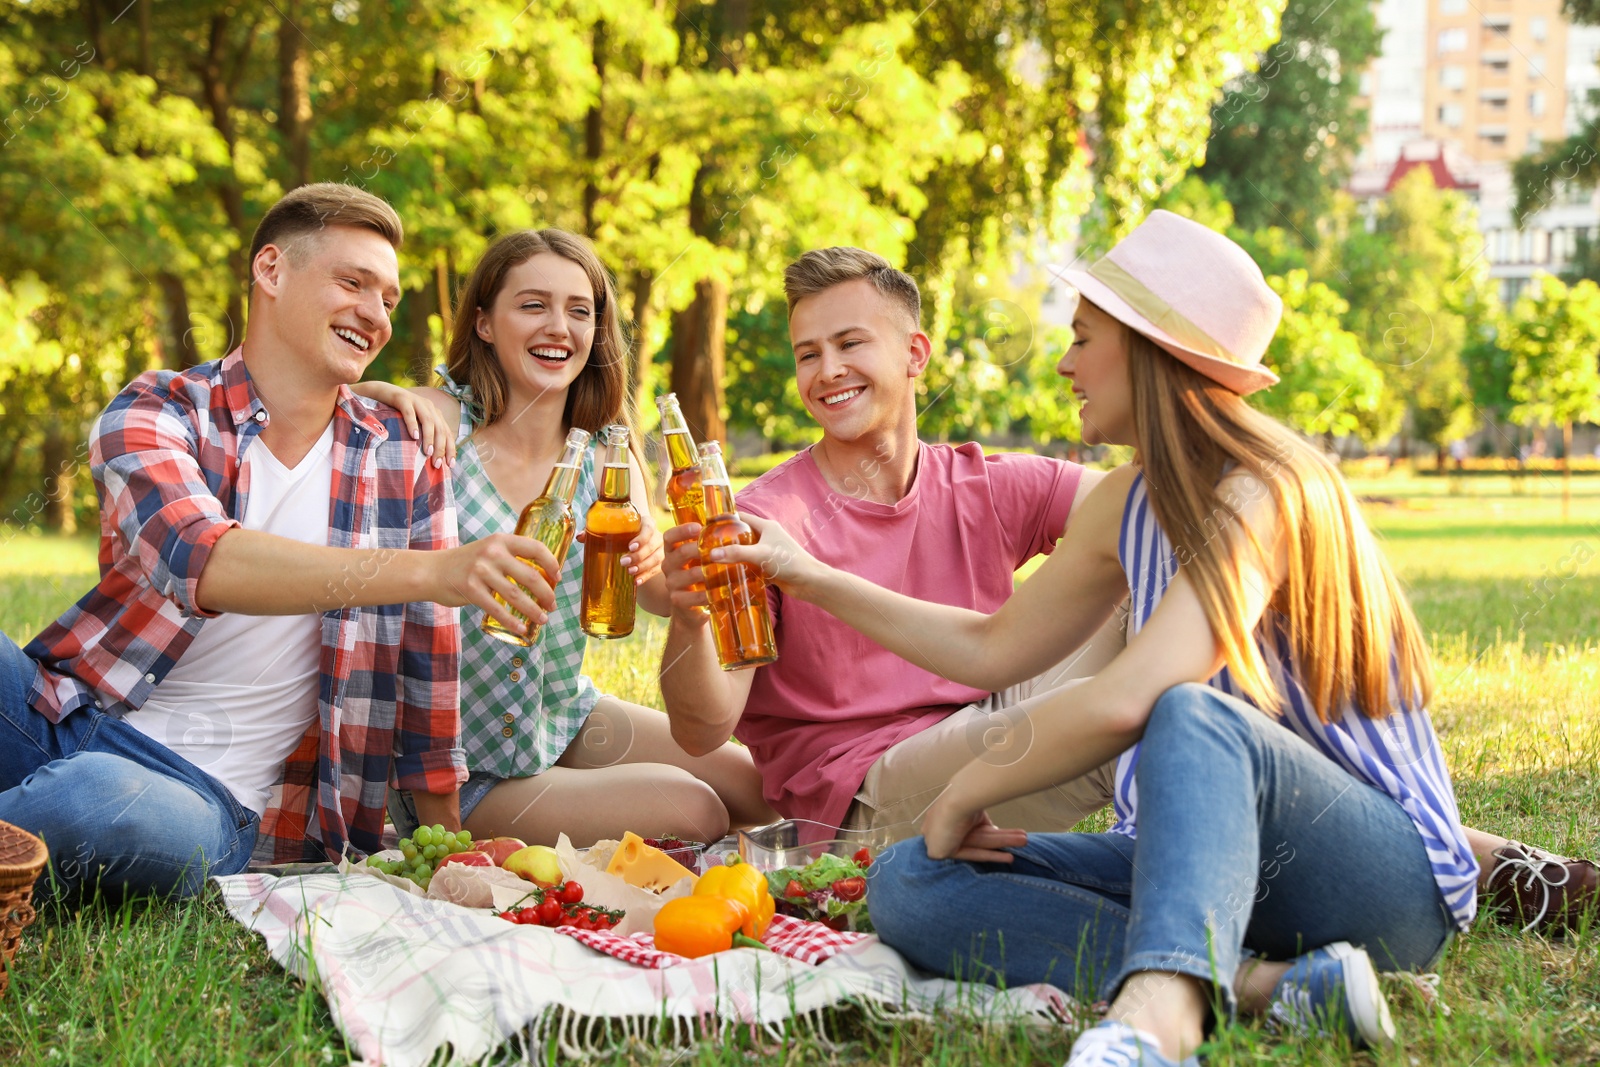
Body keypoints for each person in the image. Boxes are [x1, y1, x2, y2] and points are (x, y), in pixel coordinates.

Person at [707, 212, 1590, 1063]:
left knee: (1186, 714)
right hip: (1197, 862)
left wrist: (966, 786)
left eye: (1084, 337)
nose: (1062, 363)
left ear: (1150, 350)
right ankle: (1267, 987)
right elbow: (989, 648)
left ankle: (1157, 1018)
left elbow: (1135, 696)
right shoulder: (1125, 503)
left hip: (1378, 881)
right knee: (908, 880)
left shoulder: (1266, 490)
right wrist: (809, 573)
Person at [0, 183, 568, 899]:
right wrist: (433, 572)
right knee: (71, 764)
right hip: (64, 719)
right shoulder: (157, 410)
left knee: (94, 799)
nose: (376, 313)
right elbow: (199, 558)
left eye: (388, 298)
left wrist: (444, 847)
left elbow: (430, 677)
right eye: (353, 282)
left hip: (203, 797)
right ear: (270, 271)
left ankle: (27, 829)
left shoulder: (405, 454)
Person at [656, 247, 1128, 840]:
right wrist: (688, 617)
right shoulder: (763, 522)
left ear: (914, 353)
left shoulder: (981, 483)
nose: (827, 370)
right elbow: (702, 732)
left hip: (983, 720)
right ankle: (1177, 905)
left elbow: (1141, 511)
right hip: (868, 793)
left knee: (1176, 593)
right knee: (1126, 714)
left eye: (850, 344)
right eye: (809, 354)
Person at [355, 229, 773, 847]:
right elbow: (323, 413)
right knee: (696, 811)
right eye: (533, 305)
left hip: (559, 721)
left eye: (580, 311)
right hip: (459, 769)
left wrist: (664, 562)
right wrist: (375, 390)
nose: (559, 327)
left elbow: (651, 593)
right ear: (485, 324)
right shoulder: (438, 426)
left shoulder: (607, 454)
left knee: (755, 787)